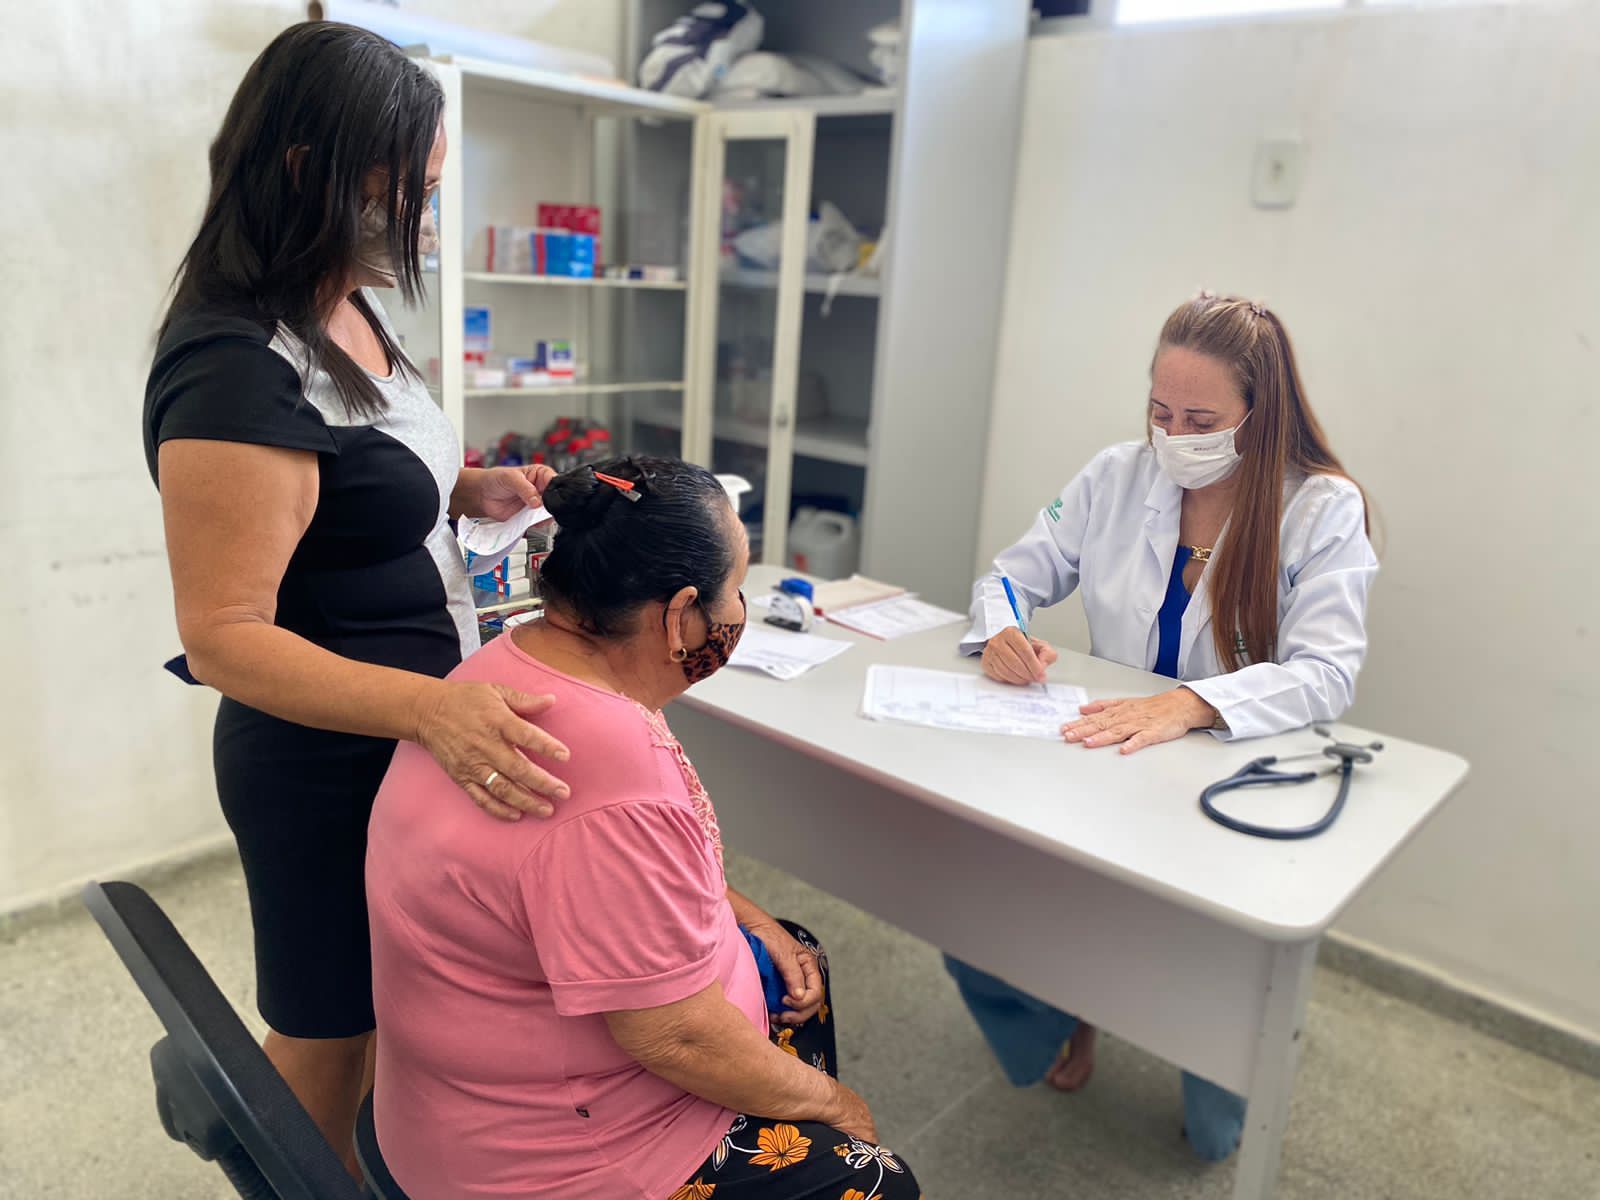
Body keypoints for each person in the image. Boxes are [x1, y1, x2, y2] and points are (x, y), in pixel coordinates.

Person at [143, 23, 570, 1168]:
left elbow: (353, 473)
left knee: (394, 1009)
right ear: (306, 171)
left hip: (409, 740)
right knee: (327, 1031)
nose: (424, 219)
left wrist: (463, 486)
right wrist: (432, 708)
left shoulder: (345, 305)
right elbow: (225, 636)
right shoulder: (234, 369)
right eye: (408, 190)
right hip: (322, 763)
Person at [366, 457, 923, 1200]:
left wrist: (749, 920)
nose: (738, 611)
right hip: (553, 1159)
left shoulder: (508, 664)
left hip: (462, 1098)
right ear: (681, 613)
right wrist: (840, 1111)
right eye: (735, 590)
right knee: (879, 1183)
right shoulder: (613, 775)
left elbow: (623, 886)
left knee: (793, 949)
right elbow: (674, 1036)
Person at [947, 292, 1378, 1161]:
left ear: (1261, 414)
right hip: (1109, 754)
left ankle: (1210, 1088)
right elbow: (1011, 576)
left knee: (1212, 1055)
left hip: (1225, 775)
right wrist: (1001, 630)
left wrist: (1195, 703)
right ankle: (1066, 1013)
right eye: (1160, 411)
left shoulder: (1321, 508)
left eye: (1202, 420)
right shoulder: (1116, 476)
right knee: (985, 916)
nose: (1174, 435)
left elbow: (1328, 672)